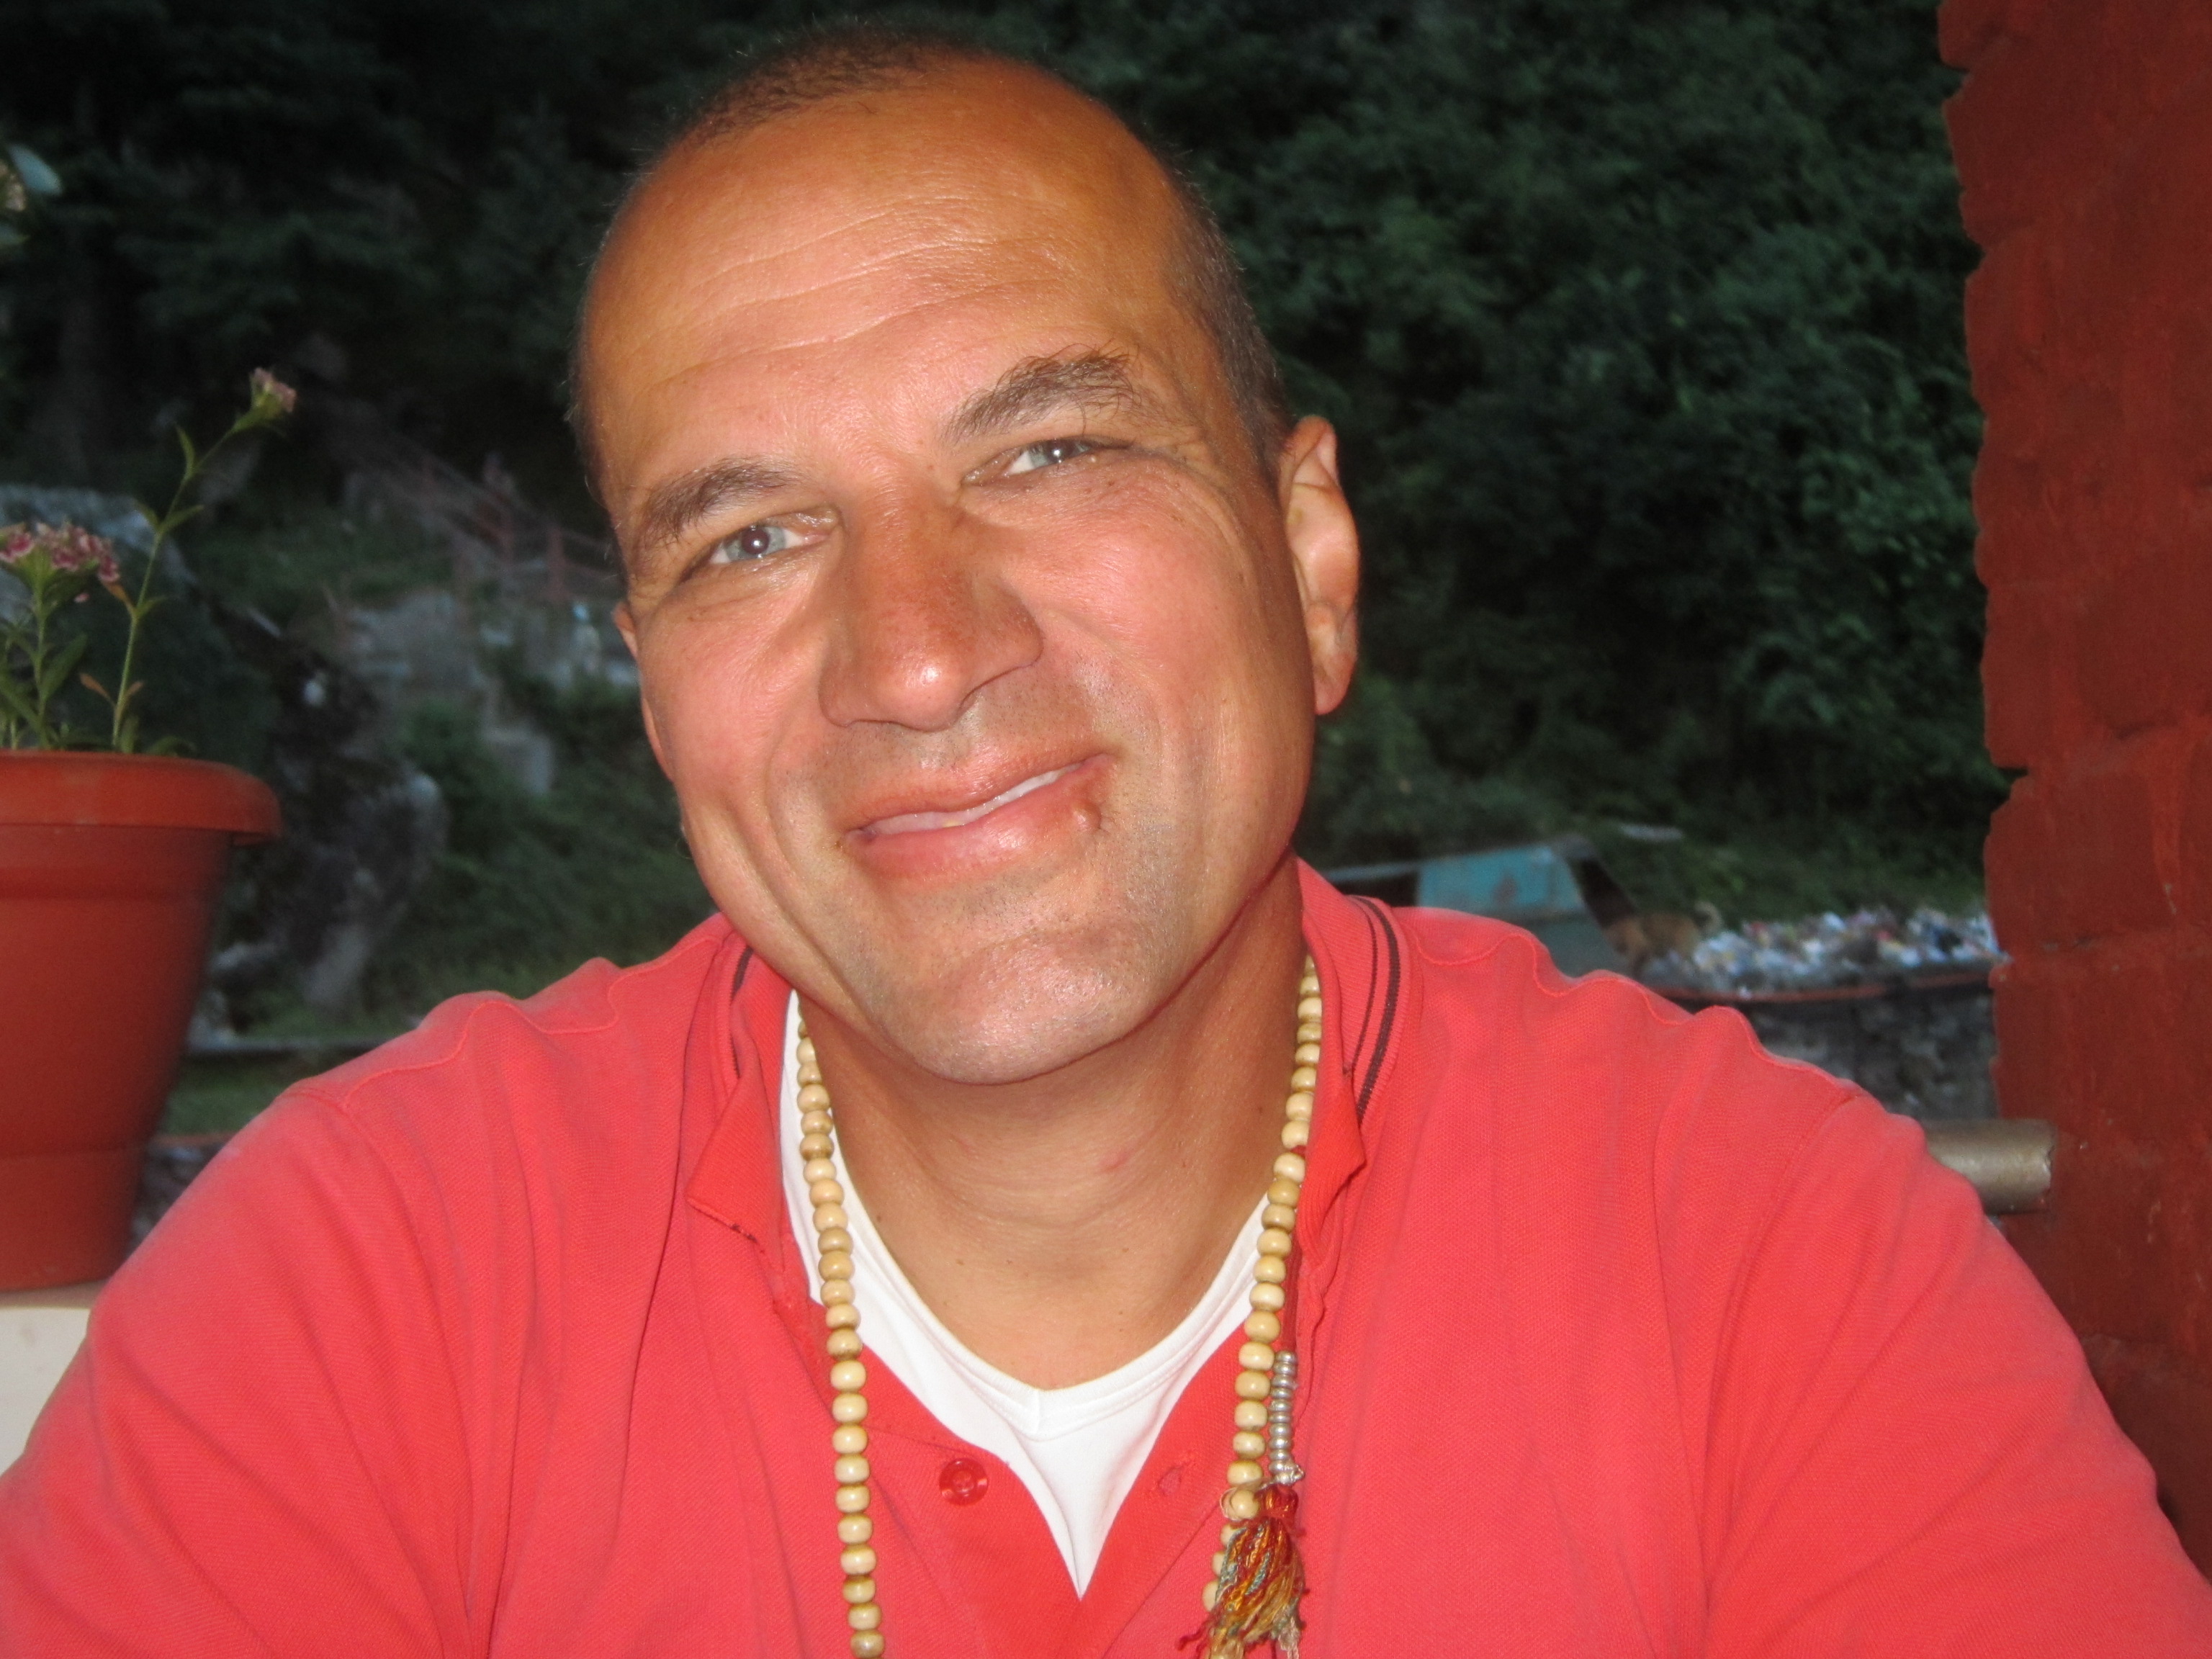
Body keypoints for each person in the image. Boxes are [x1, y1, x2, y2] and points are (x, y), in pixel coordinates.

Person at [4, 27, 2209, 1658]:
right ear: (658, 692)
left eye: (1048, 450)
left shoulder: (1775, 1272)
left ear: (1312, 562)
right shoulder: (352, 1297)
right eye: (752, 536)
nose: (917, 653)